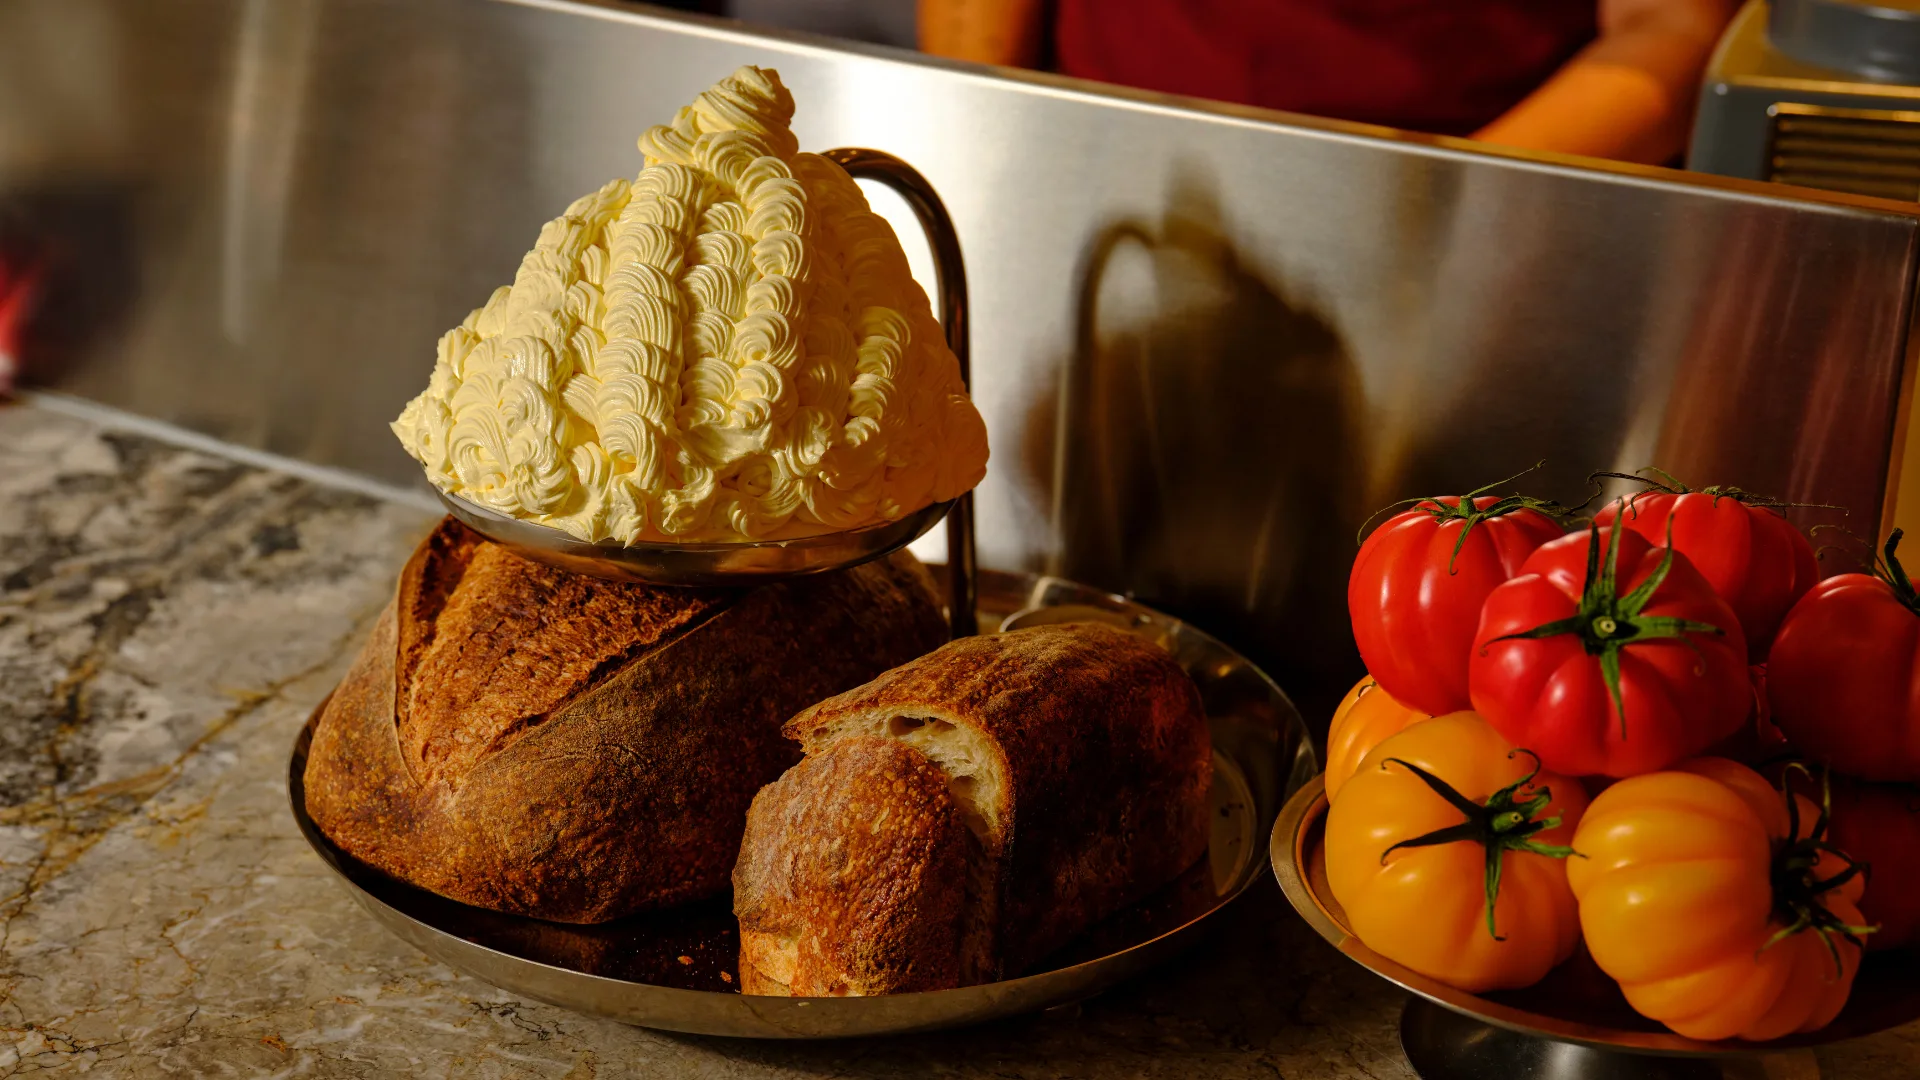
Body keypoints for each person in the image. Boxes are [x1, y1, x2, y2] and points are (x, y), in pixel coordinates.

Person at [917, 0, 1740, 165]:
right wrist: (991, 125)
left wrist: (1431, 203)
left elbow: (1673, 28)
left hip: (1456, 200)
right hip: (1092, 155)